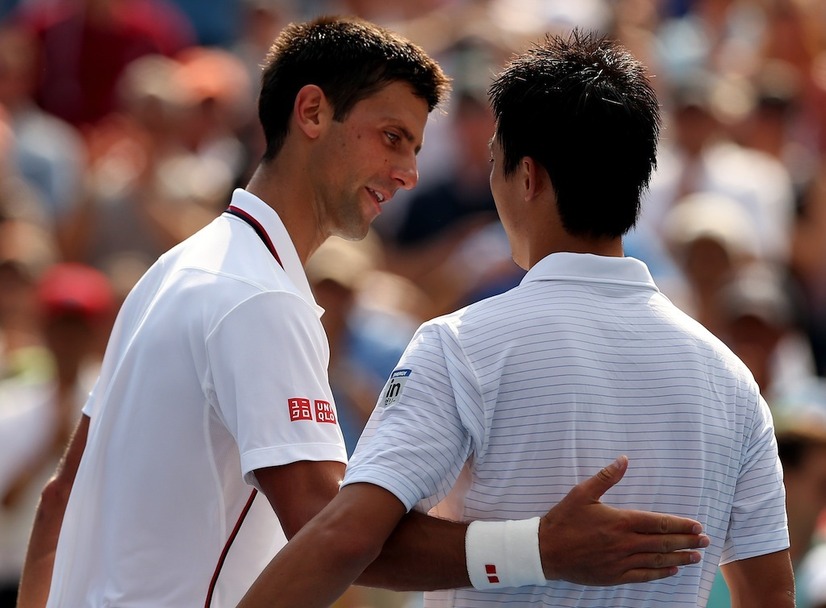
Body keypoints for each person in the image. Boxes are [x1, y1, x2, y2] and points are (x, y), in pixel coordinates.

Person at [18, 17, 708, 608]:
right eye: (392, 137)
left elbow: (59, 499)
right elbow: (337, 533)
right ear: (312, 113)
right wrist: (540, 548)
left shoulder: (174, 269)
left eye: (413, 145)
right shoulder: (258, 297)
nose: (408, 171)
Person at [237, 29, 793, 608]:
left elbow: (346, 538)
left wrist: (532, 552)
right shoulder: (731, 381)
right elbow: (771, 599)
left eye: (495, 163)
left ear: (527, 177)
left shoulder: (460, 345)